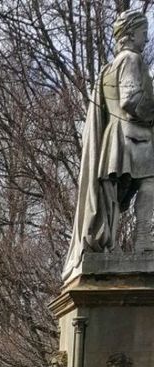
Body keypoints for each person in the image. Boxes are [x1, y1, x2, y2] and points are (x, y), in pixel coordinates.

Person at [64, 9, 154, 281]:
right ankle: (142, 238)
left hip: (114, 138)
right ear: (130, 34)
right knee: (149, 183)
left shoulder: (108, 68)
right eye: (143, 32)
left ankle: (110, 242)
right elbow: (130, 100)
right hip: (133, 136)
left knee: (113, 196)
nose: (146, 39)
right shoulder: (131, 59)